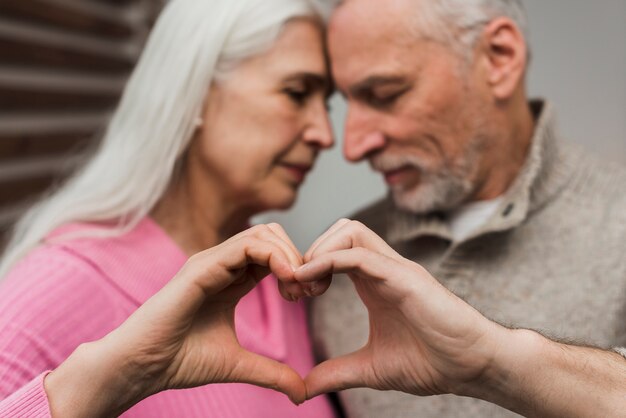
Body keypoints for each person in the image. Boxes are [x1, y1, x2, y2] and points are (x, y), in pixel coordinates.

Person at [0, 0, 337, 416]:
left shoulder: (276, 277)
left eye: (328, 103)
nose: (325, 133)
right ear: (195, 89)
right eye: (296, 93)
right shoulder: (64, 282)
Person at [307, 0, 626, 416]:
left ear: (498, 58)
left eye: (385, 94)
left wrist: (498, 362)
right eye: (348, 101)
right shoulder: (339, 271)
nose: (352, 146)